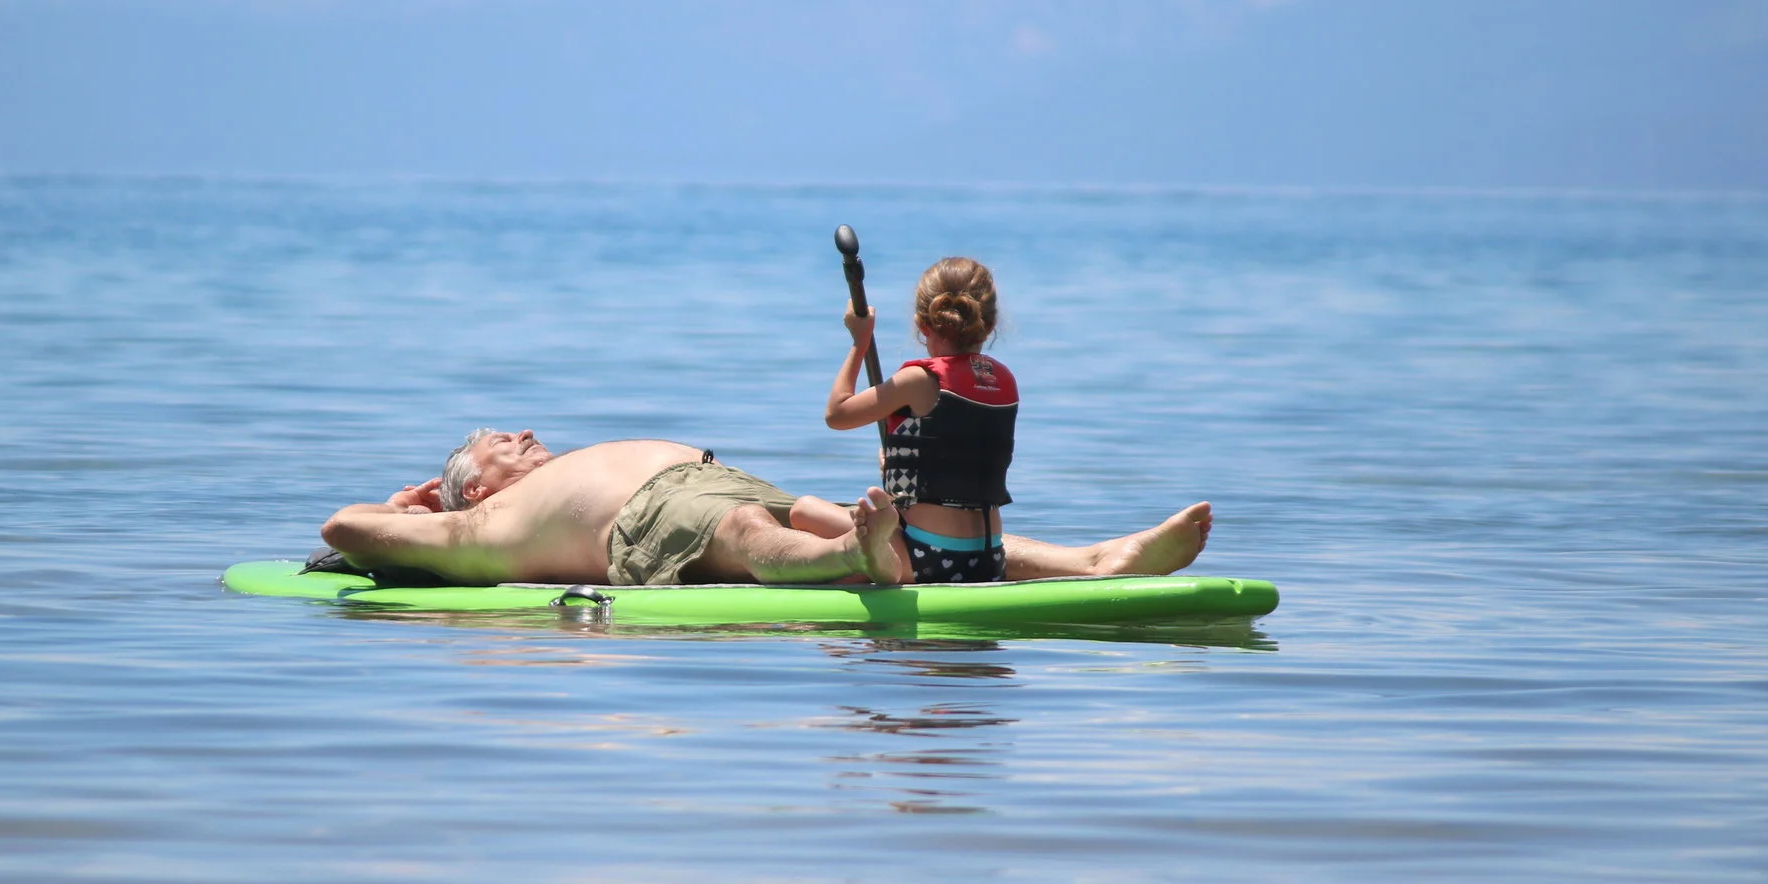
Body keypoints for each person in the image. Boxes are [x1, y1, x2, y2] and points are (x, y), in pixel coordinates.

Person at [319, 428, 1210, 589]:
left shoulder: (535, 475)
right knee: (749, 538)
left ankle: (1097, 560)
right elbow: (340, 528)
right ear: (472, 485)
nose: (523, 431)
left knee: (920, 536)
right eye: (499, 443)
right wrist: (412, 508)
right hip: (654, 517)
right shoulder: (476, 523)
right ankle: (848, 564)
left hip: (721, 476)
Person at [825, 256, 1022, 583]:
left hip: (927, 559)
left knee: (803, 510)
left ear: (922, 324)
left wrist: (860, 343)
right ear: (989, 324)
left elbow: (837, 414)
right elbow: (953, 455)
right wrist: (899, 467)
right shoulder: (1003, 380)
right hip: (990, 557)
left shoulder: (919, 380)